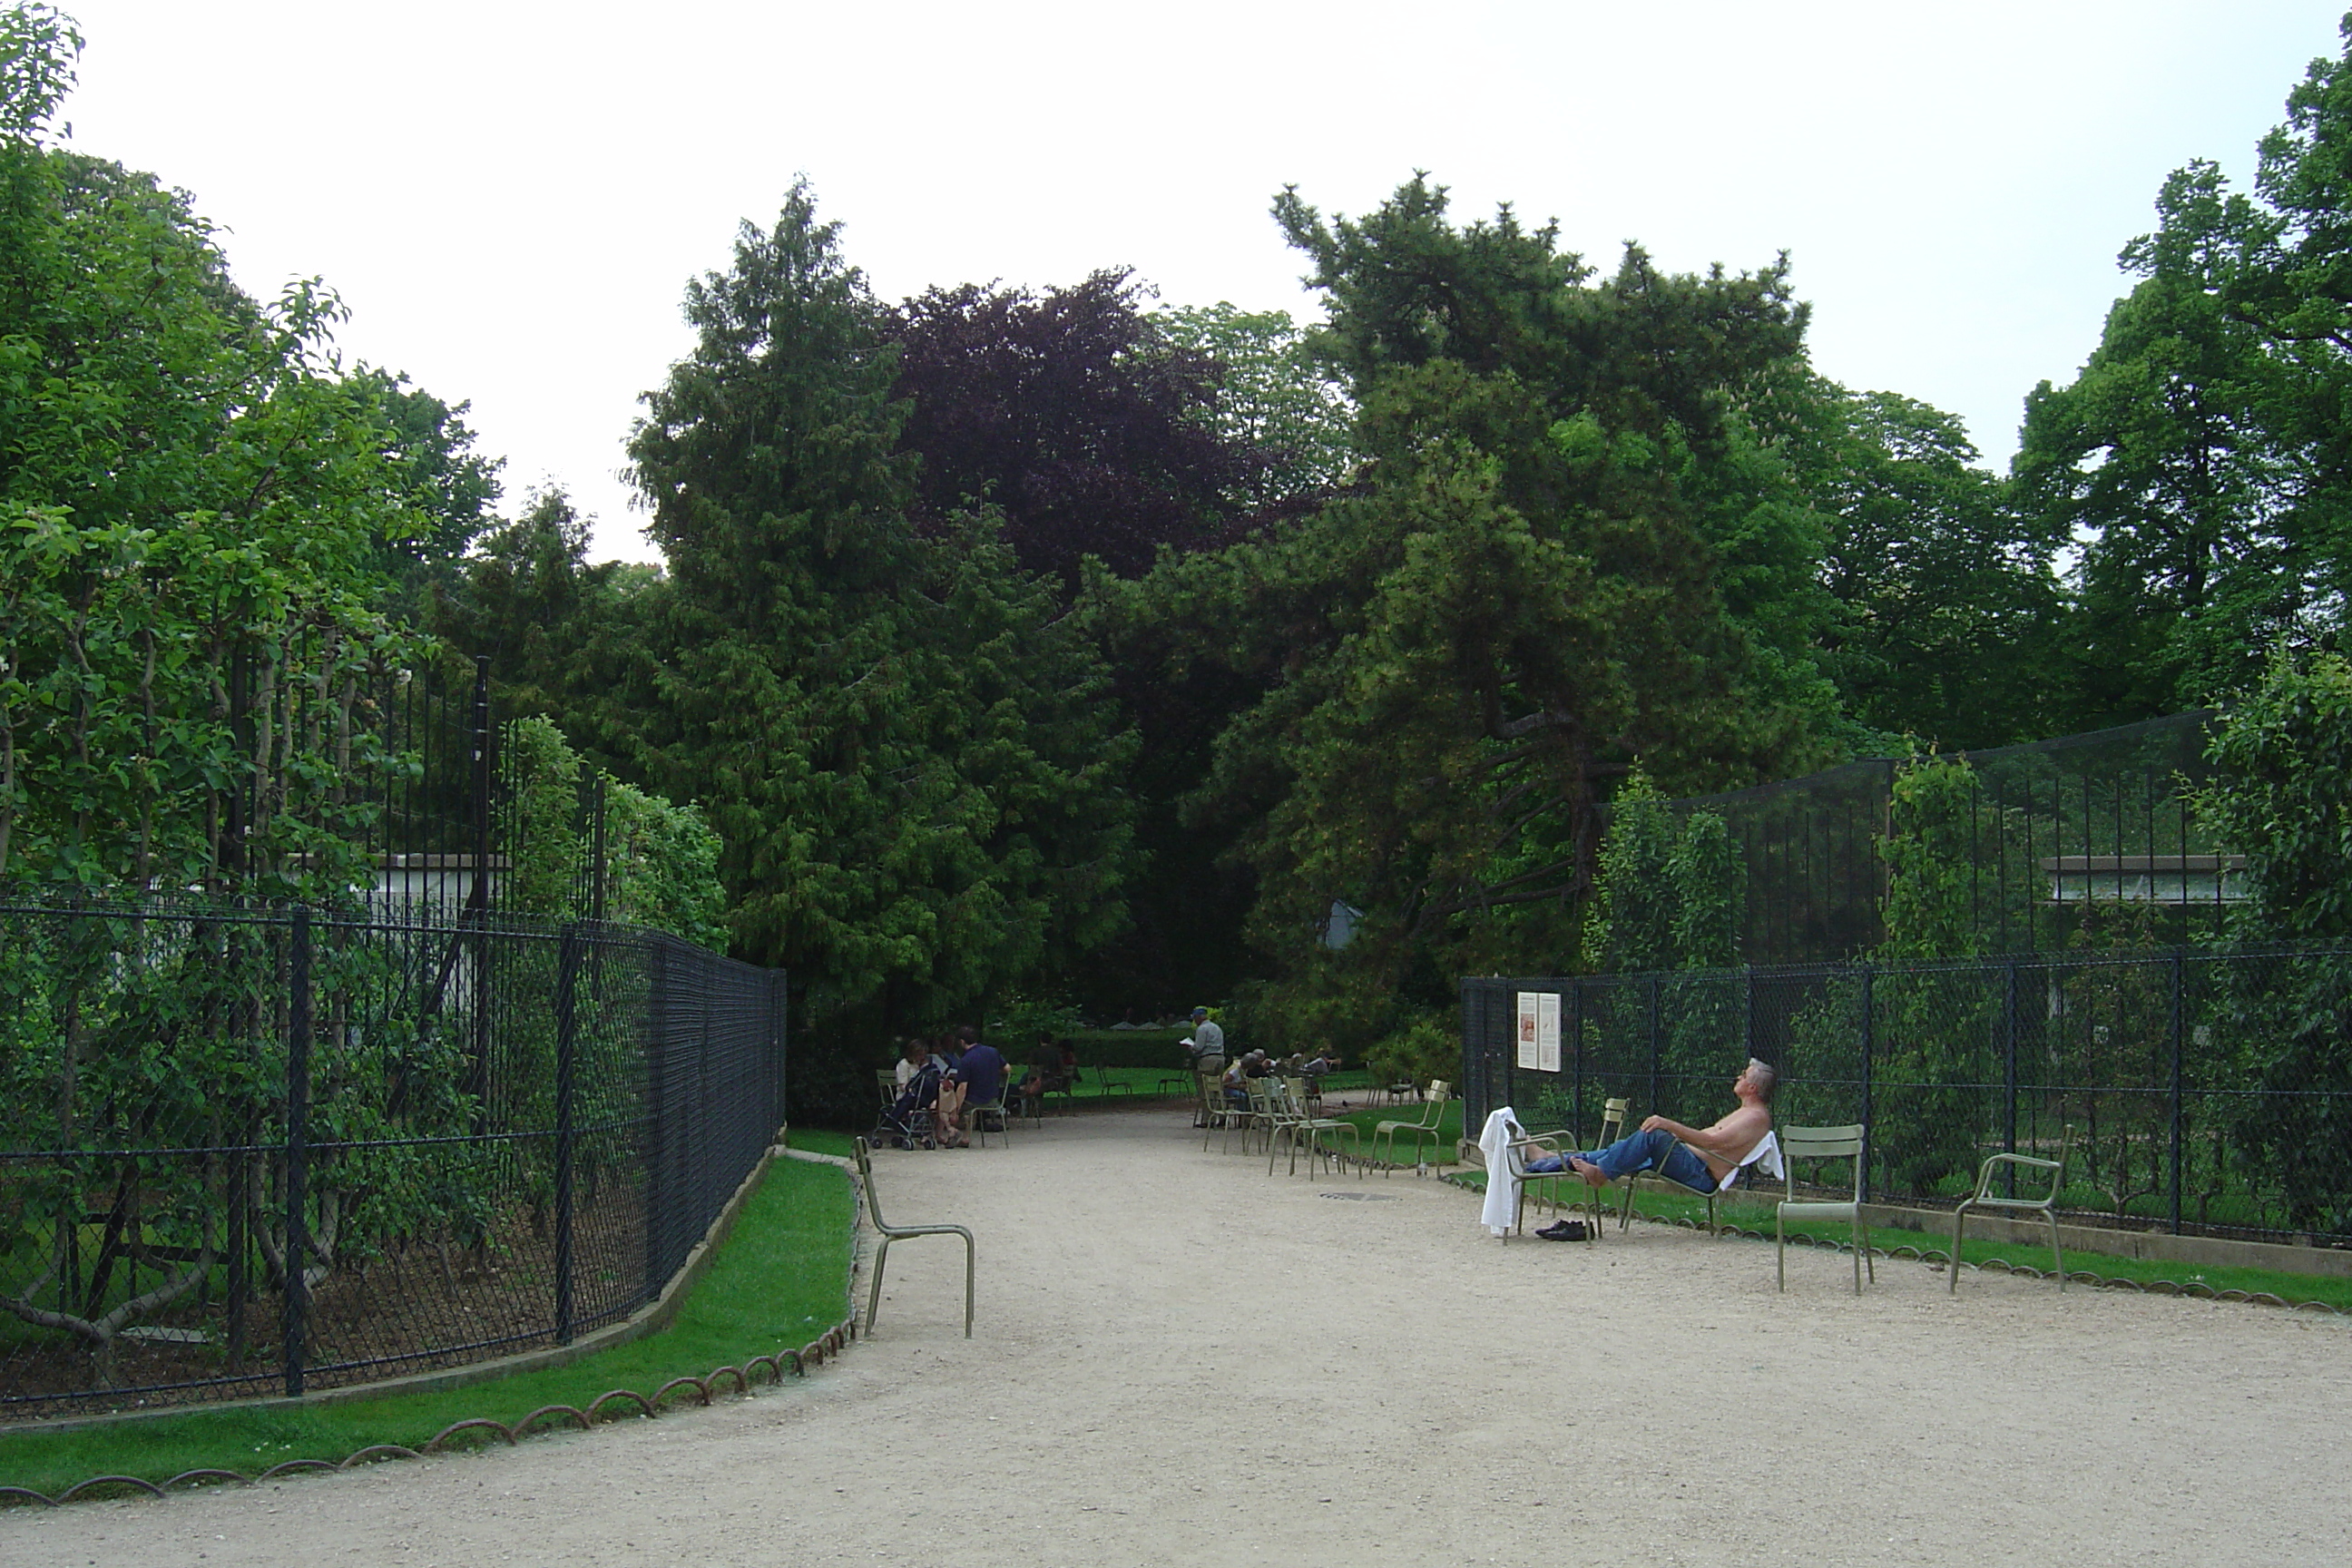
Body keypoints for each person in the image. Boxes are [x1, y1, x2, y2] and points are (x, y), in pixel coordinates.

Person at [1524, 1058, 1779, 1192]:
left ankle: (1599, 1174)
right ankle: (1547, 1159)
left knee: (1654, 1134)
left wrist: (1668, 1124)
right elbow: (1708, 1138)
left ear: (1753, 1088)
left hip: (1701, 1174)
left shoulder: (1755, 1118)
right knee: (1623, 1149)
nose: (1738, 1077)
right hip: (1690, 1161)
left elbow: (1712, 1142)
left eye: (1744, 1076)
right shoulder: (1745, 1112)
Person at [1184, 1006, 1225, 1075]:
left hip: (1207, 1059)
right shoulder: (1217, 1027)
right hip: (1220, 1058)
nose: (1194, 1021)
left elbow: (1199, 1047)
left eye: (1195, 1018)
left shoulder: (1202, 1028)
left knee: (1205, 1083)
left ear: (1199, 1017)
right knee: (1217, 1083)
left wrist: (1190, 1047)